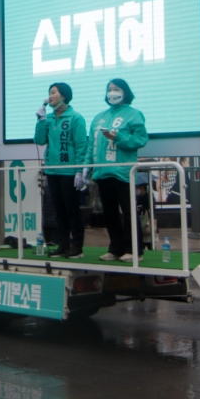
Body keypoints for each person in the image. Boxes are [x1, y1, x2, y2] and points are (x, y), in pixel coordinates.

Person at [84, 79, 149, 262]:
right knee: (109, 213)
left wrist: (118, 136)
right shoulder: (99, 117)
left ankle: (135, 250)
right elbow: (91, 145)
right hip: (102, 172)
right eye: (109, 89)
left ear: (125, 92)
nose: (112, 92)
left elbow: (140, 140)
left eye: (116, 89)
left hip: (123, 172)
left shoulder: (134, 114)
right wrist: (86, 168)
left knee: (128, 212)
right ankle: (115, 248)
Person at [33, 82, 88, 258]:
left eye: (53, 92)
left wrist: (80, 171)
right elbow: (40, 140)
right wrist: (41, 121)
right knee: (59, 211)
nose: (50, 96)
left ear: (63, 95)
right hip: (52, 170)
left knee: (72, 210)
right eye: (49, 93)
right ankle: (62, 244)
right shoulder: (48, 118)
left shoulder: (75, 118)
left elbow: (81, 146)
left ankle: (77, 246)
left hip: (69, 172)